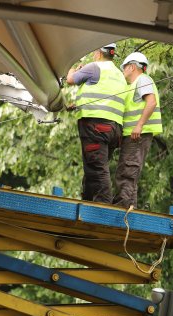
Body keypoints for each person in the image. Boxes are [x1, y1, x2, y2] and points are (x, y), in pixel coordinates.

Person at [66, 43, 127, 204]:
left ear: (98, 53)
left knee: (97, 170)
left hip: (95, 127)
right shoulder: (119, 74)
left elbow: (70, 80)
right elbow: (105, 96)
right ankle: (87, 202)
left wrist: (74, 69)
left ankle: (103, 209)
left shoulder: (94, 67)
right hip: (113, 129)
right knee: (93, 166)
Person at [115, 52, 162, 208]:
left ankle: (123, 207)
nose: (123, 72)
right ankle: (129, 207)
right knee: (127, 171)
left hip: (137, 135)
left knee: (128, 172)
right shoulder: (133, 86)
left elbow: (151, 102)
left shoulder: (143, 79)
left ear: (132, 66)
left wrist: (140, 125)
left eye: (124, 68)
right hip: (133, 136)